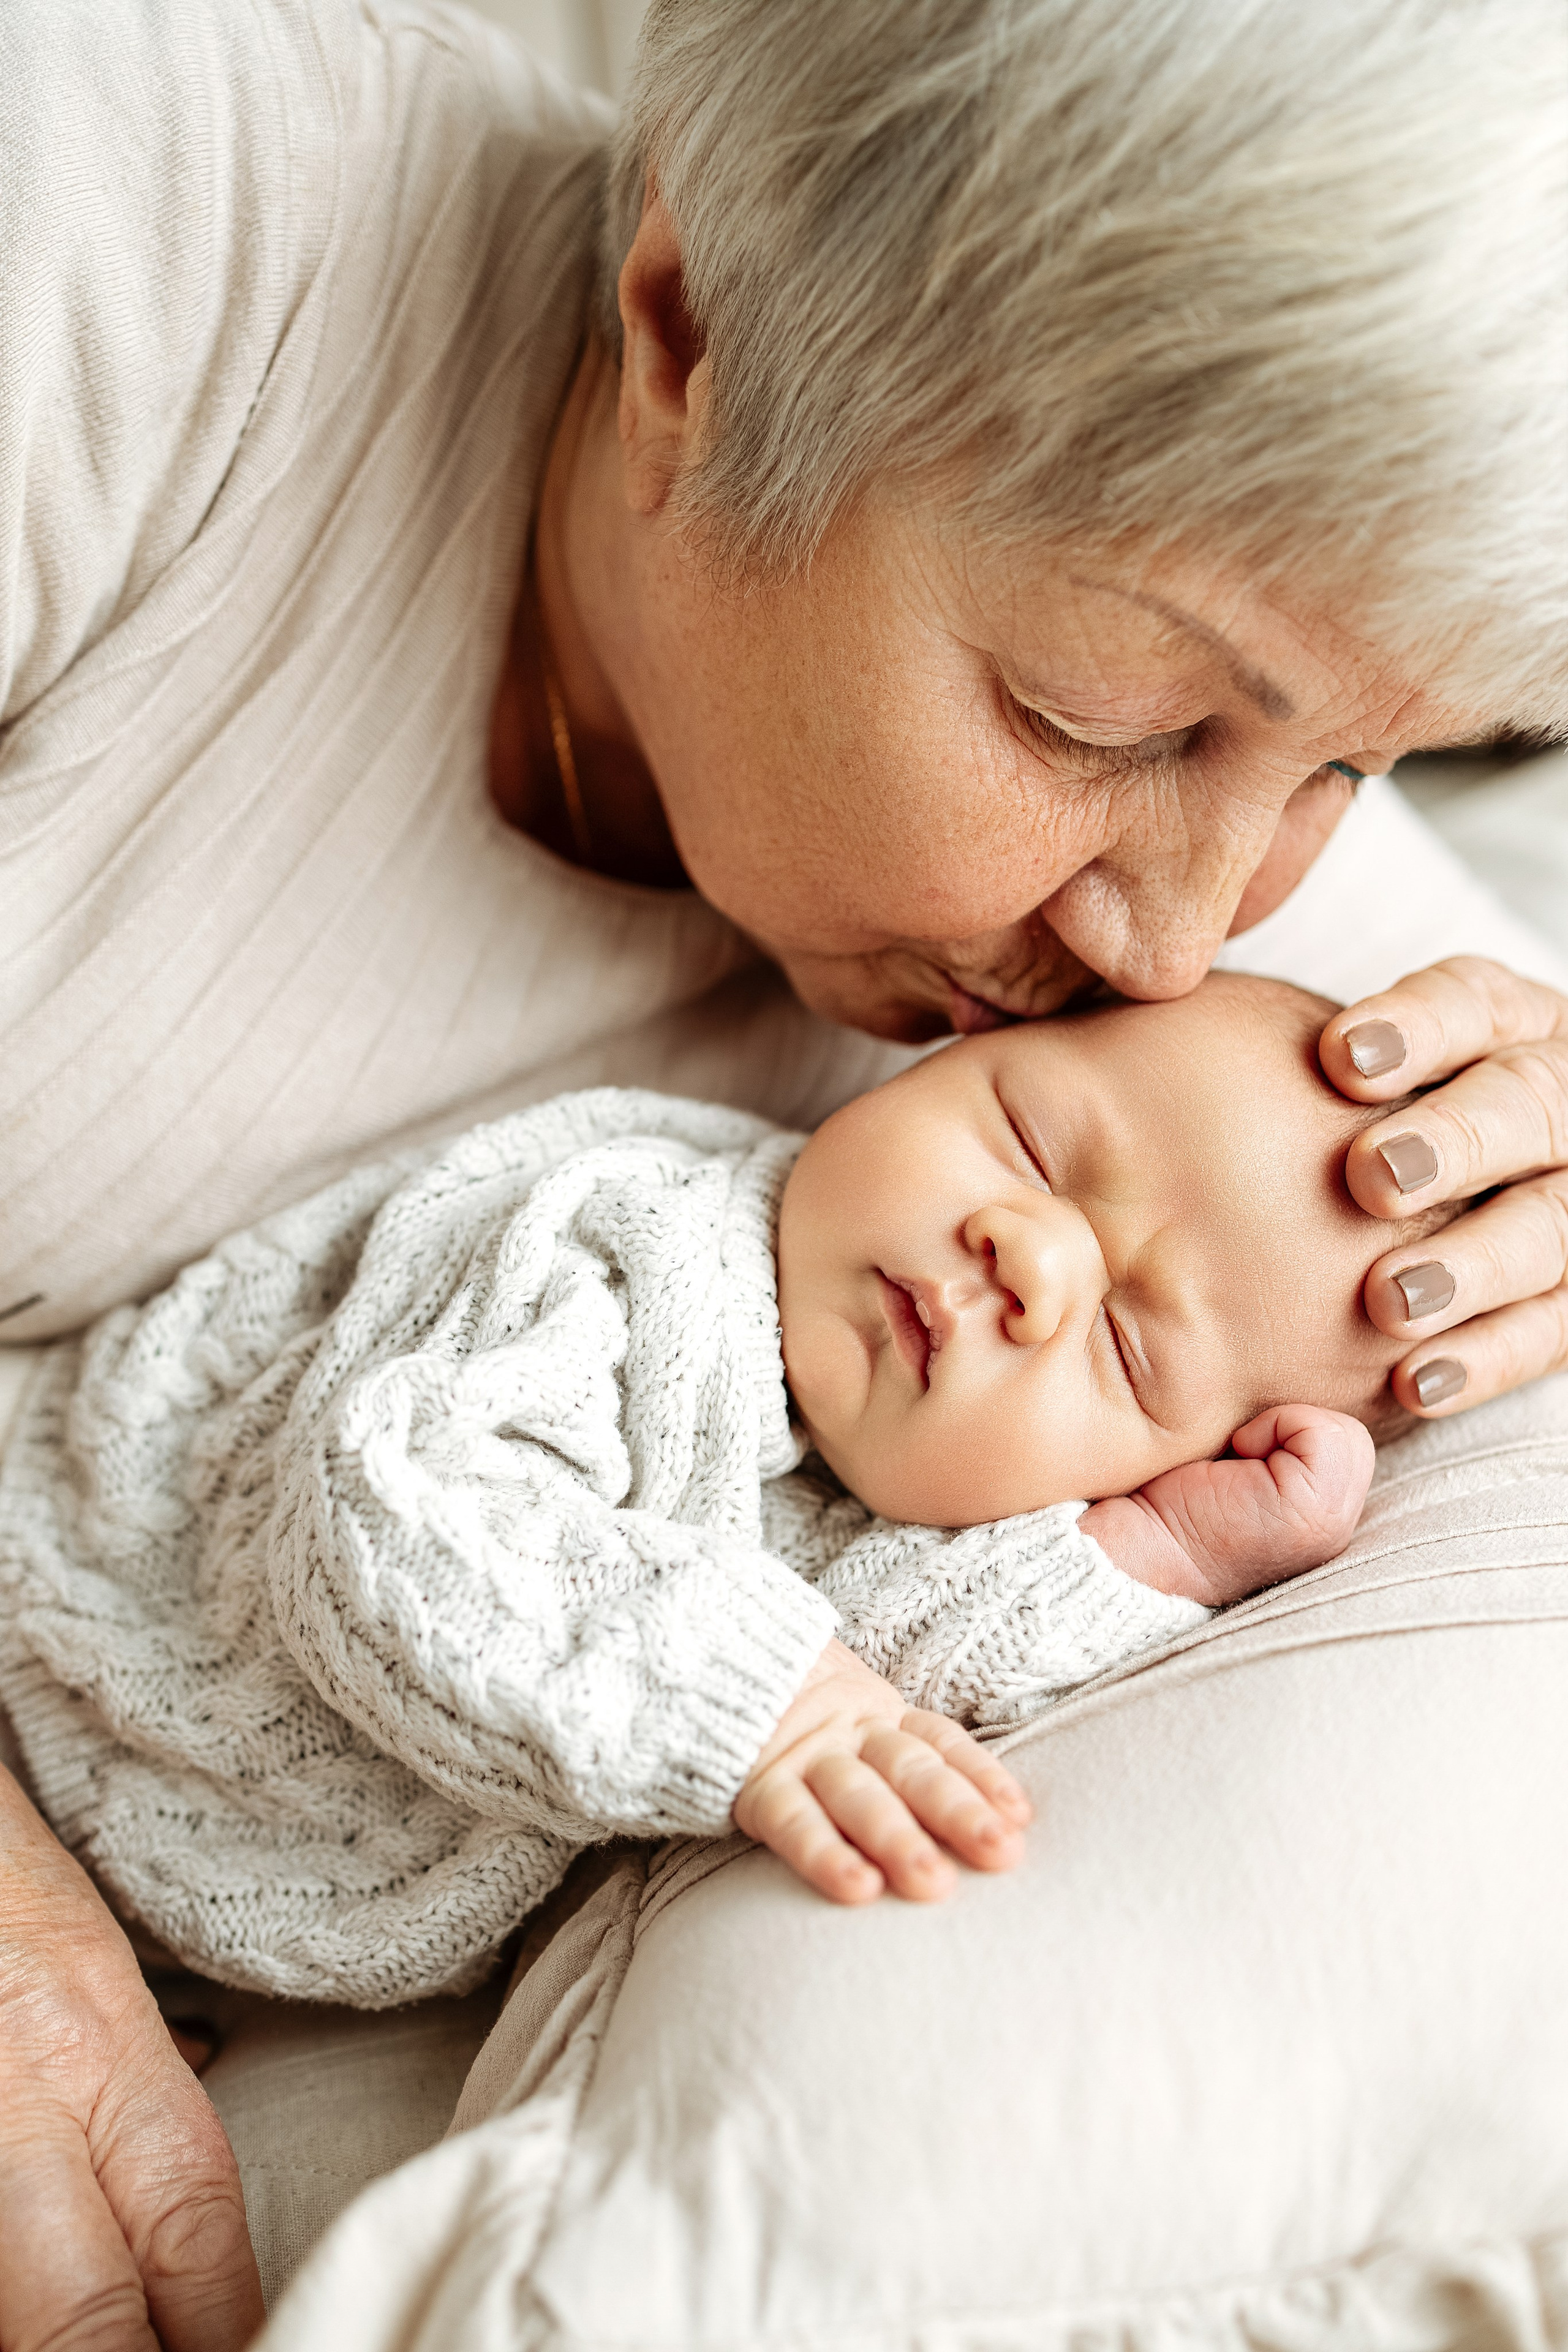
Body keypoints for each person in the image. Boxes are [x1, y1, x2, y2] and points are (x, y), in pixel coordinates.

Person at [0, 0, 1564, 2341]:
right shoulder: (122, 220)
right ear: (690, 336)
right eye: (1100, 722)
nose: (1182, 935)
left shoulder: (1113, 997)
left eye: (1358, 769)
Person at [1, 971, 1466, 1988]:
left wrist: (1154, 1555)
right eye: (1028, 1141)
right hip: (69, 1600)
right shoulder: (630, 1246)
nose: (1027, 1256)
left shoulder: (909, 1474)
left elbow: (875, 1672)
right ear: (950, 1051)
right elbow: (399, 1507)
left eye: (1126, 1350)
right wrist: (765, 1707)